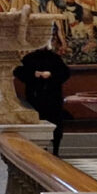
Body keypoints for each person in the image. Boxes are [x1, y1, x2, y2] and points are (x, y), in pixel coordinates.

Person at [15, 25, 72, 153]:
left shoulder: (54, 58)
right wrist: (34, 74)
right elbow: (19, 72)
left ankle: (55, 151)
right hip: (34, 97)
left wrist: (50, 75)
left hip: (53, 97)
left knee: (55, 124)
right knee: (37, 124)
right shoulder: (29, 58)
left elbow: (65, 73)